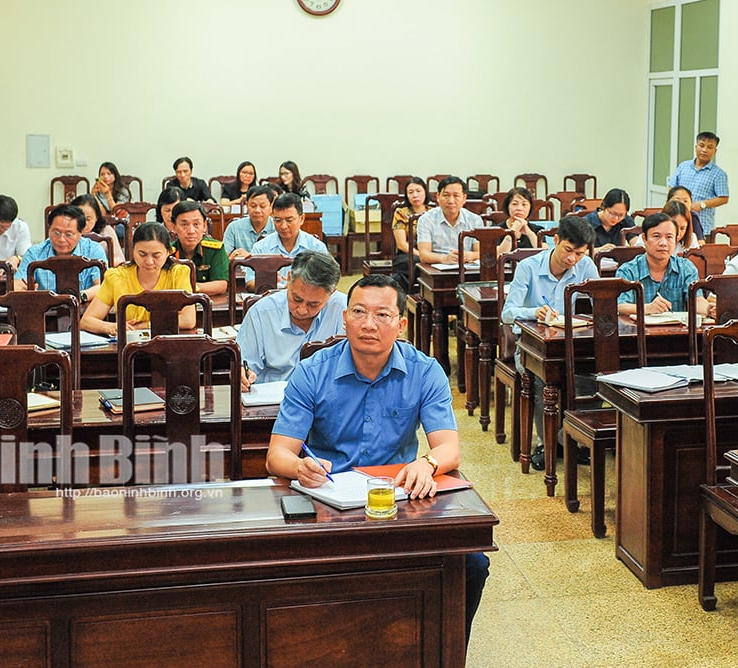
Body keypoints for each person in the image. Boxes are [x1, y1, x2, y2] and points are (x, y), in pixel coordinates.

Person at [265, 273, 489, 644]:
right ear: (344, 318)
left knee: (471, 564)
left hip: (398, 503)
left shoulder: (425, 371)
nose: (369, 324)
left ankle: (443, 653)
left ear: (401, 324)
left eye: (382, 315)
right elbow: (277, 456)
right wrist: (300, 467)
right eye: (359, 312)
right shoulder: (312, 372)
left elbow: (449, 448)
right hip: (328, 502)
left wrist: (426, 464)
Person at [501, 215, 600, 470]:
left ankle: (573, 438)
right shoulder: (529, 267)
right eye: (568, 250)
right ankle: (547, 443)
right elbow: (507, 313)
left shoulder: (586, 266)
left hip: (573, 345)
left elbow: (601, 306)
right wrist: (534, 312)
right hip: (532, 347)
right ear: (555, 240)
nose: (572, 259)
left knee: (592, 376)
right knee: (541, 381)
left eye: (579, 253)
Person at [237, 251, 347, 388]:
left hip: (326, 399)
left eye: (313, 304)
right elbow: (244, 363)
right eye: (297, 299)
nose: (302, 310)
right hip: (273, 401)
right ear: (289, 279)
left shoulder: (346, 311)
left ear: (332, 292)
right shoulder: (262, 313)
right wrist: (242, 374)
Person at [79, 222, 195, 335]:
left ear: (168, 252)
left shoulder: (178, 274)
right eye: (142, 254)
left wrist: (142, 326)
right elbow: (86, 321)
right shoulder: (117, 277)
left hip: (169, 346)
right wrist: (111, 327)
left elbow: (188, 320)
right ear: (133, 250)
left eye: (156, 255)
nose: (149, 261)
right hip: (130, 347)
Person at [15, 204, 108, 304]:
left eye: (68, 234)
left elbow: (103, 286)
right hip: (45, 313)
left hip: (84, 311)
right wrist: (26, 291)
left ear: (81, 233)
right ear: (49, 229)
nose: (61, 239)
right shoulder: (34, 253)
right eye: (56, 233)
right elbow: (17, 285)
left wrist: (80, 296)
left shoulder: (93, 250)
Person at [616, 212, 707, 315]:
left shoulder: (686, 268)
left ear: (676, 239)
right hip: (639, 329)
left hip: (677, 330)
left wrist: (708, 309)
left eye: (669, 237)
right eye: (656, 236)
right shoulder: (628, 271)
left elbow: (697, 300)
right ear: (644, 239)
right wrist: (648, 308)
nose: (663, 243)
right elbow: (620, 306)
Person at [247, 192, 328, 289]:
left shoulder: (316, 247)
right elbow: (249, 281)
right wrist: (268, 282)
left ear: (301, 219)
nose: (283, 226)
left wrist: (298, 286)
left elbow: (326, 281)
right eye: (278, 220)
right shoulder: (261, 247)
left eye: (289, 220)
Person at [667, 131, 729, 238]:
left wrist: (702, 205)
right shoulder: (683, 166)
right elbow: (671, 187)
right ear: (696, 147)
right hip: (678, 224)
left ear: (715, 150)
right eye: (701, 145)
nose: (704, 150)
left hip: (703, 225)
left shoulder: (719, 174)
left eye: (710, 147)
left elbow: (723, 198)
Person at [415, 176, 482, 264]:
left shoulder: (475, 220)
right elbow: (424, 255)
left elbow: (481, 252)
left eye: (456, 195)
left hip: (466, 267)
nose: (451, 201)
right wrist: (444, 259)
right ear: (438, 197)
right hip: (436, 270)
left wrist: (469, 256)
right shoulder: (426, 219)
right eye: (446, 195)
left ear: (464, 198)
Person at [169, 200, 229, 297]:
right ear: (174, 227)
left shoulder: (215, 249)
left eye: (196, 224)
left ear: (204, 226)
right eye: (184, 225)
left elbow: (221, 285)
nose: (191, 231)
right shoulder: (167, 252)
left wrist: (190, 287)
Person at [390, 177, 432, 291]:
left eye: (418, 191)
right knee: (417, 264)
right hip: (408, 253)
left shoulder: (433, 212)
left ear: (425, 192)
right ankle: (415, 295)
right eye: (411, 192)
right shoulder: (401, 213)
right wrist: (421, 254)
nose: (415, 195)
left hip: (432, 251)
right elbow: (401, 244)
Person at [223, 185, 276, 260]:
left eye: (262, 206)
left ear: (271, 207)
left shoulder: (278, 227)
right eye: (253, 206)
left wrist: (250, 257)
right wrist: (229, 259)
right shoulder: (234, 227)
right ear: (247, 205)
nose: (257, 210)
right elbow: (224, 257)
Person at [71, 193, 125, 265]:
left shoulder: (106, 230)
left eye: (88, 219)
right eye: (79, 219)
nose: (84, 223)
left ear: (97, 217)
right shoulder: (66, 232)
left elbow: (119, 259)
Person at [633, 200, 698, 253]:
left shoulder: (692, 239)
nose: (679, 232)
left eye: (682, 228)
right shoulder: (646, 239)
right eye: (675, 227)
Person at [586, 188, 635, 252]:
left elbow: (636, 243)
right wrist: (599, 250)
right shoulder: (587, 222)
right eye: (612, 213)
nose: (616, 218)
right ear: (603, 206)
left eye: (621, 215)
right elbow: (577, 252)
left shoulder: (626, 221)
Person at [496, 186, 542, 252]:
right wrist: (512, 232)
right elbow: (496, 256)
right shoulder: (496, 230)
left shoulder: (538, 230)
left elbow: (545, 254)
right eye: (514, 204)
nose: (519, 208)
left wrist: (529, 233)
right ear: (507, 206)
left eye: (524, 204)